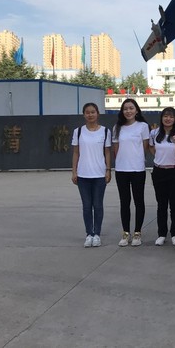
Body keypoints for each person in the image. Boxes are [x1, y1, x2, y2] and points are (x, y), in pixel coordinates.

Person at [71, 103, 112, 248]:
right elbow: (76, 152)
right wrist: (74, 171)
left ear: (97, 113)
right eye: (87, 112)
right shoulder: (78, 131)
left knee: (98, 205)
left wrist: (108, 170)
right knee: (87, 206)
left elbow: (107, 152)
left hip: (99, 174)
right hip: (83, 174)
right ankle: (89, 234)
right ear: (84, 114)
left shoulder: (105, 131)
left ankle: (97, 234)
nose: (90, 115)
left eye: (93, 112)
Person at [113, 98, 150, 247]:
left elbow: (145, 147)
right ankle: (126, 233)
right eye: (125, 109)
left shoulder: (143, 126)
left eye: (131, 108)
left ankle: (137, 233)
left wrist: (136, 159)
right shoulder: (117, 127)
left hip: (137, 169)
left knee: (138, 201)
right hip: (121, 169)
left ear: (136, 110)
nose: (128, 111)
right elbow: (116, 149)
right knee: (124, 202)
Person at [149, 108, 175, 246]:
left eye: (171, 117)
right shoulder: (154, 133)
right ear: (161, 118)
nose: (168, 119)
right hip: (159, 171)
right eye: (165, 116)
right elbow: (151, 148)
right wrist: (160, 158)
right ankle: (162, 234)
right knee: (161, 204)